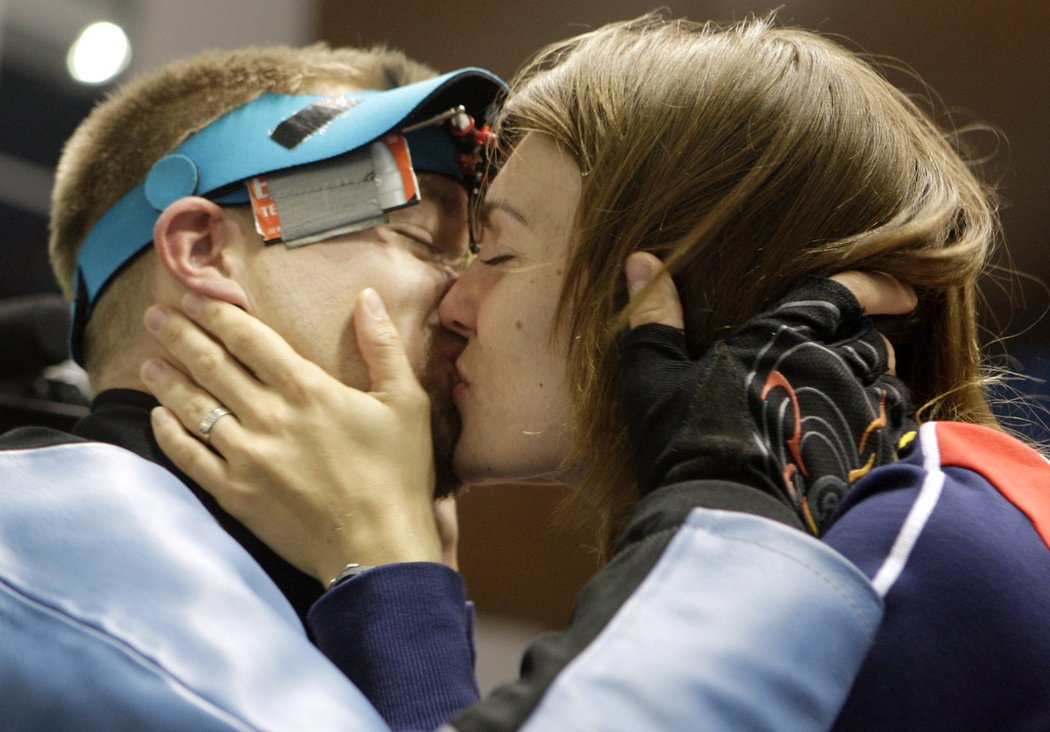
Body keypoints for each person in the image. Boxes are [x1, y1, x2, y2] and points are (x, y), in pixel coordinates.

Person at [145, 13, 1050, 731]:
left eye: (494, 253)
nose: (454, 309)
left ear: (669, 292)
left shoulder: (926, 549)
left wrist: (386, 567)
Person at [2, 35, 892, 731]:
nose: (466, 296)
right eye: (426, 239)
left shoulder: (276, 586)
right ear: (202, 249)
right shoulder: (39, 548)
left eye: (487, 250)